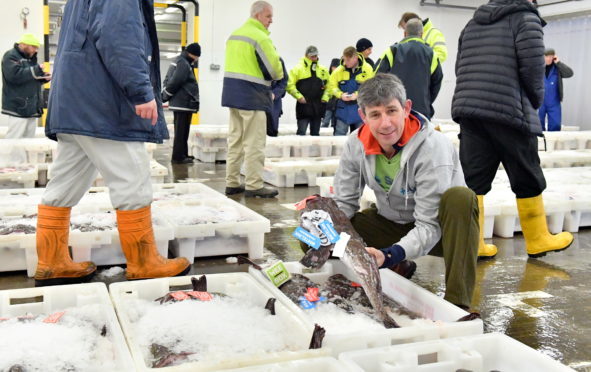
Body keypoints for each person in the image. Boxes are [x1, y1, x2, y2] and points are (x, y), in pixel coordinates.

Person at [36, 0, 191, 286]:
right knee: (132, 178)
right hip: (102, 103)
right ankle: (144, 263)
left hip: (74, 101)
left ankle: (51, 261)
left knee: (64, 182)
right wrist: (141, 91)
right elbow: (118, 36)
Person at [334, 73, 479, 310]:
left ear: (406, 108)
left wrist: (391, 254)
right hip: (391, 223)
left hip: (442, 233)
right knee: (321, 236)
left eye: (391, 110)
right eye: (375, 114)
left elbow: (429, 225)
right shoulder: (355, 143)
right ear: (363, 116)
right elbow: (344, 202)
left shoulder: (433, 147)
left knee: (461, 199)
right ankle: (397, 266)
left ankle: (458, 305)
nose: (385, 123)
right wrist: (322, 224)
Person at [452, 0, 573, 259]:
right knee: (526, 173)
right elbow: (532, 70)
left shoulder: (472, 22)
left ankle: (474, 243)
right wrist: (534, 103)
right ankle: (538, 239)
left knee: (475, 180)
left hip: (470, 110)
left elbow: (459, 66)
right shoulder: (525, 19)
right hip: (509, 110)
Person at [222, 0, 283, 198]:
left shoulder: (234, 35)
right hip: (253, 97)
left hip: (232, 95)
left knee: (235, 141)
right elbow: (274, 70)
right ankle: (254, 185)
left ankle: (232, 183)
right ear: (258, 15)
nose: (271, 21)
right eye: (268, 16)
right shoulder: (260, 37)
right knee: (254, 143)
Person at [375, 18, 443, 119]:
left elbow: (376, 77)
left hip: (395, 111)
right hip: (422, 112)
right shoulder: (431, 54)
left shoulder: (393, 51)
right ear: (421, 33)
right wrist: (427, 100)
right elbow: (437, 80)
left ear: (405, 33)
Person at [1, 33, 50, 138]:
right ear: (23, 45)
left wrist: (43, 78)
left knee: (29, 140)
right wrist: (36, 70)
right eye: (33, 47)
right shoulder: (10, 56)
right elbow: (14, 76)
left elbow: (30, 78)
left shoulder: (31, 58)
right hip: (17, 107)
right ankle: (11, 155)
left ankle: (24, 156)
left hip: (31, 107)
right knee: (15, 138)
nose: (36, 50)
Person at [162, 42, 201, 164]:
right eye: (197, 56)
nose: (197, 59)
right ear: (193, 54)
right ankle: (178, 157)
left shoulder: (183, 61)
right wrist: (165, 96)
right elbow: (176, 81)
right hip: (182, 103)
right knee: (181, 132)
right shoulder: (183, 63)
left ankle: (183, 154)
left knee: (183, 132)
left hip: (183, 103)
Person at [326, 46, 373, 136]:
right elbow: (331, 86)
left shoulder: (367, 69)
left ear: (355, 58)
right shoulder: (339, 70)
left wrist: (358, 94)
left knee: (361, 137)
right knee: (339, 135)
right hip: (342, 109)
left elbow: (371, 86)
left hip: (360, 110)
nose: (345, 62)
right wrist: (340, 95)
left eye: (348, 60)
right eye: (344, 59)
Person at [286, 46, 330, 136]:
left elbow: (329, 86)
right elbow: (289, 85)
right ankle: (299, 150)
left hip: (318, 106)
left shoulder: (323, 70)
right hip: (303, 106)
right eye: (312, 56)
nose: (314, 58)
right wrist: (299, 96)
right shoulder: (297, 69)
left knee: (315, 135)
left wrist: (325, 97)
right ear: (306, 55)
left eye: (315, 55)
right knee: (301, 134)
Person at [539, 48, 573, 131]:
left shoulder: (557, 68)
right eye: (546, 56)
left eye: (551, 56)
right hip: (539, 102)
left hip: (554, 102)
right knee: (537, 126)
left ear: (554, 57)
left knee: (556, 126)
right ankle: (538, 143)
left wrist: (558, 63)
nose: (548, 59)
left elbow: (569, 73)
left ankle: (551, 144)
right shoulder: (538, 67)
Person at [266, 57, 288, 137]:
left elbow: (284, 81)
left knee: (272, 131)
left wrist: (275, 94)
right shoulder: (255, 58)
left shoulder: (279, 60)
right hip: (258, 101)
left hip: (274, 103)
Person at [321, 58, 341, 128]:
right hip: (328, 103)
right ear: (331, 67)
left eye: (337, 67)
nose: (335, 68)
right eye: (333, 67)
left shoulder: (341, 77)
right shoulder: (327, 76)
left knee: (334, 123)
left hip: (337, 103)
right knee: (325, 122)